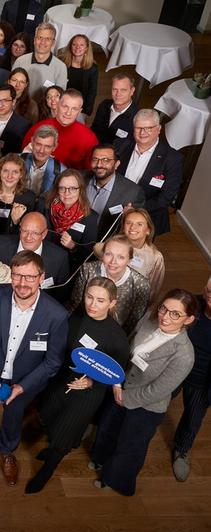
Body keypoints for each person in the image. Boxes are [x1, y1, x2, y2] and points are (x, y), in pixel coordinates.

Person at [0, 250, 69, 487]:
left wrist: (22, 388)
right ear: (10, 275)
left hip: (25, 380)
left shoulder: (57, 315)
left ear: (41, 277)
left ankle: (7, 451)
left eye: (30, 277)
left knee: (13, 417)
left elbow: (53, 362)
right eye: (17, 276)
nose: (22, 283)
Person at [27, 277, 129, 494]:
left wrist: (91, 380)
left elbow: (115, 373)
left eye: (101, 301)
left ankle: (47, 470)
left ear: (112, 303)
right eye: (89, 297)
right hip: (60, 379)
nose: (92, 304)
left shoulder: (117, 336)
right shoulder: (74, 314)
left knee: (65, 432)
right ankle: (51, 451)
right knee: (49, 416)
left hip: (85, 392)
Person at [91, 289, 197, 496]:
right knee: (107, 428)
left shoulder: (184, 355)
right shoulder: (149, 320)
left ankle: (115, 481)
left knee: (130, 447)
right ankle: (100, 459)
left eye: (175, 313)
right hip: (119, 388)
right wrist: (116, 382)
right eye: (164, 308)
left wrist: (125, 397)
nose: (166, 316)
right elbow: (126, 348)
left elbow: (159, 390)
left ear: (189, 319)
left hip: (146, 407)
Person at [114, 109, 183, 238]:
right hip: (114, 210)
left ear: (158, 129)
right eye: (138, 128)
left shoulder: (172, 159)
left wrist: (135, 210)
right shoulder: (120, 145)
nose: (142, 132)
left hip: (146, 217)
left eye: (148, 128)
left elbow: (165, 198)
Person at [171, 276, 211, 482]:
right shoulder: (190, 307)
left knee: (193, 418)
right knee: (151, 404)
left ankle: (181, 449)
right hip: (175, 370)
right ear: (205, 291)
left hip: (203, 381)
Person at [70, 234, 150, 335]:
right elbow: (76, 303)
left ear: (129, 260)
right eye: (108, 254)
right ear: (102, 254)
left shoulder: (141, 284)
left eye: (120, 257)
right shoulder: (88, 270)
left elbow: (133, 322)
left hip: (114, 335)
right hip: (83, 326)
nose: (113, 261)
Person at [0, 210, 69, 289]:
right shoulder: (0, 244)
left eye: (35, 233)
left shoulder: (59, 258)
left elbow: (59, 295)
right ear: (20, 229)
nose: (28, 237)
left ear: (44, 234)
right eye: (25, 231)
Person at [23, 89, 98, 170]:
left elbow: (90, 173)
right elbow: (23, 161)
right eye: (65, 106)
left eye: (74, 109)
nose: (68, 113)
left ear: (79, 111)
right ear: (57, 105)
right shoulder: (37, 129)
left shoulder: (90, 138)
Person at [42, 168, 99, 273]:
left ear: (80, 190)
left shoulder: (90, 217)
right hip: (41, 262)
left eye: (72, 188)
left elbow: (89, 255)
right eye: (62, 188)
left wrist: (73, 246)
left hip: (66, 269)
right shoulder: (45, 207)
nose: (67, 193)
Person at [83, 144, 146, 238]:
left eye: (105, 160)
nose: (99, 165)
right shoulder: (78, 178)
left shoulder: (133, 192)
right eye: (95, 159)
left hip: (107, 245)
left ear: (116, 164)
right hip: (72, 241)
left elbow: (140, 227)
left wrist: (129, 217)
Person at [116, 208, 165, 305]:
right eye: (129, 223)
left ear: (148, 230)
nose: (133, 228)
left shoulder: (155, 257)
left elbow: (153, 292)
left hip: (132, 305)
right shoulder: (112, 246)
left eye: (139, 224)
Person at [0, 153, 36, 244]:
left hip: (12, 245)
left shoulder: (28, 198)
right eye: (5, 171)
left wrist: (15, 221)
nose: (9, 176)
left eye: (15, 172)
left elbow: (27, 235)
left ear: (21, 175)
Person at [13, 23, 68, 101]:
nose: (43, 42)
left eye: (47, 39)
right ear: (34, 40)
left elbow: (59, 98)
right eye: (40, 38)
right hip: (20, 107)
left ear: (53, 43)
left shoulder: (60, 67)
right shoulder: (20, 61)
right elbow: (10, 89)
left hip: (44, 111)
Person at [91, 73, 139, 144]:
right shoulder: (103, 105)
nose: (118, 94)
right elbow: (94, 129)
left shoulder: (138, 117)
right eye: (115, 89)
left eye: (123, 90)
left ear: (132, 91)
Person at [59, 34, 98, 115]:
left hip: (79, 107)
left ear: (86, 48)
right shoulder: (60, 62)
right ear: (70, 46)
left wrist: (86, 113)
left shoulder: (93, 68)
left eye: (81, 45)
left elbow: (92, 92)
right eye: (74, 44)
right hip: (60, 103)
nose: (77, 47)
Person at [22, 125, 63, 199]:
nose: (41, 150)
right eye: (38, 144)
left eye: (47, 146)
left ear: (54, 147)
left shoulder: (61, 171)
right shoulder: (16, 161)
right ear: (32, 142)